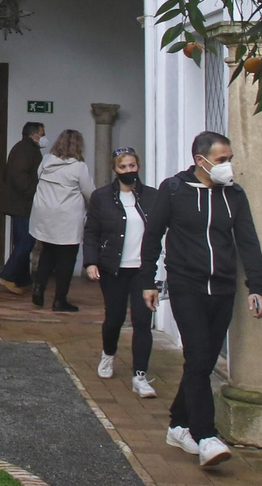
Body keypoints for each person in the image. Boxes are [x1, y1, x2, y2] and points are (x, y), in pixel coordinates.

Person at [141, 131, 262, 469]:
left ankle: (178, 424)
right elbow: (153, 236)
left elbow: (248, 240)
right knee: (197, 356)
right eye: (222, 160)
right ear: (201, 161)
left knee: (203, 362)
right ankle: (206, 435)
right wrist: (148, 282)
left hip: (223, 288)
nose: (228, 166)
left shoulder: (234, 196)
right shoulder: (174, 190)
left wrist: (256, 285)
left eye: (230, 159)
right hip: (186, 286)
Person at [83, 146, 158, 398]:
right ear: (115, 170)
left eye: (132, 166)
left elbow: (160, 231)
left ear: (138, 166)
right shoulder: (101, 197)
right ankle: (108, 354)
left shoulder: (152, 197)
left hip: (142, 270)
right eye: (123, 167)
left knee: (142, 320)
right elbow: (91, 231)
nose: (128, 171)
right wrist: (91, 262)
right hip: (113, 268)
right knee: (114, 317)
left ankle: (140, 374)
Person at [29, 129, 93, 312]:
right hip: (67, 218)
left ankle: (39, 289)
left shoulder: (46, 161)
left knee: (47, 253)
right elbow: (90, 193)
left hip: (44, 215)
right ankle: (59, 300)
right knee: (66, 259)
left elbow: (38, 179)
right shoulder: (79, 167)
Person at [0, 121, 45, 293]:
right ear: (34, 135)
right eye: (42, 134)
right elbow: (19, 176)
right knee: (26, 241)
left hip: (22, 204)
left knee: (24, 241)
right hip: (23, 204)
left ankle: (22, 279)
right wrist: (34, 192)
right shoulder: (25, 150)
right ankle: (7, 275)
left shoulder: (26, 149)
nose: (44, 138)